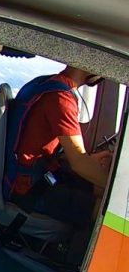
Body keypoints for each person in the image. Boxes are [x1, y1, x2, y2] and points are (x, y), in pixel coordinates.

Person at [6, 65, 114, 230]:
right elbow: (78, 162)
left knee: (96, 189)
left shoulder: (46, 83)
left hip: (34, 176)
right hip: (30, 190)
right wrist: (118, 193)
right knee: (106, 209)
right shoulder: (61, 98)